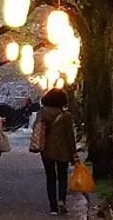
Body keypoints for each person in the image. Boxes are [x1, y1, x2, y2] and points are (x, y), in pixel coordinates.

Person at [34, 88, 78, 216]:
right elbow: (70, 136)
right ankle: (61, 200)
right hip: (63, 150)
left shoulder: (42, 112)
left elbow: (37, 128)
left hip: (46, 149)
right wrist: (73, 153)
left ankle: (53, 207)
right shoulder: (66, 116)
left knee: (51, 177)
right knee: (62, 176)